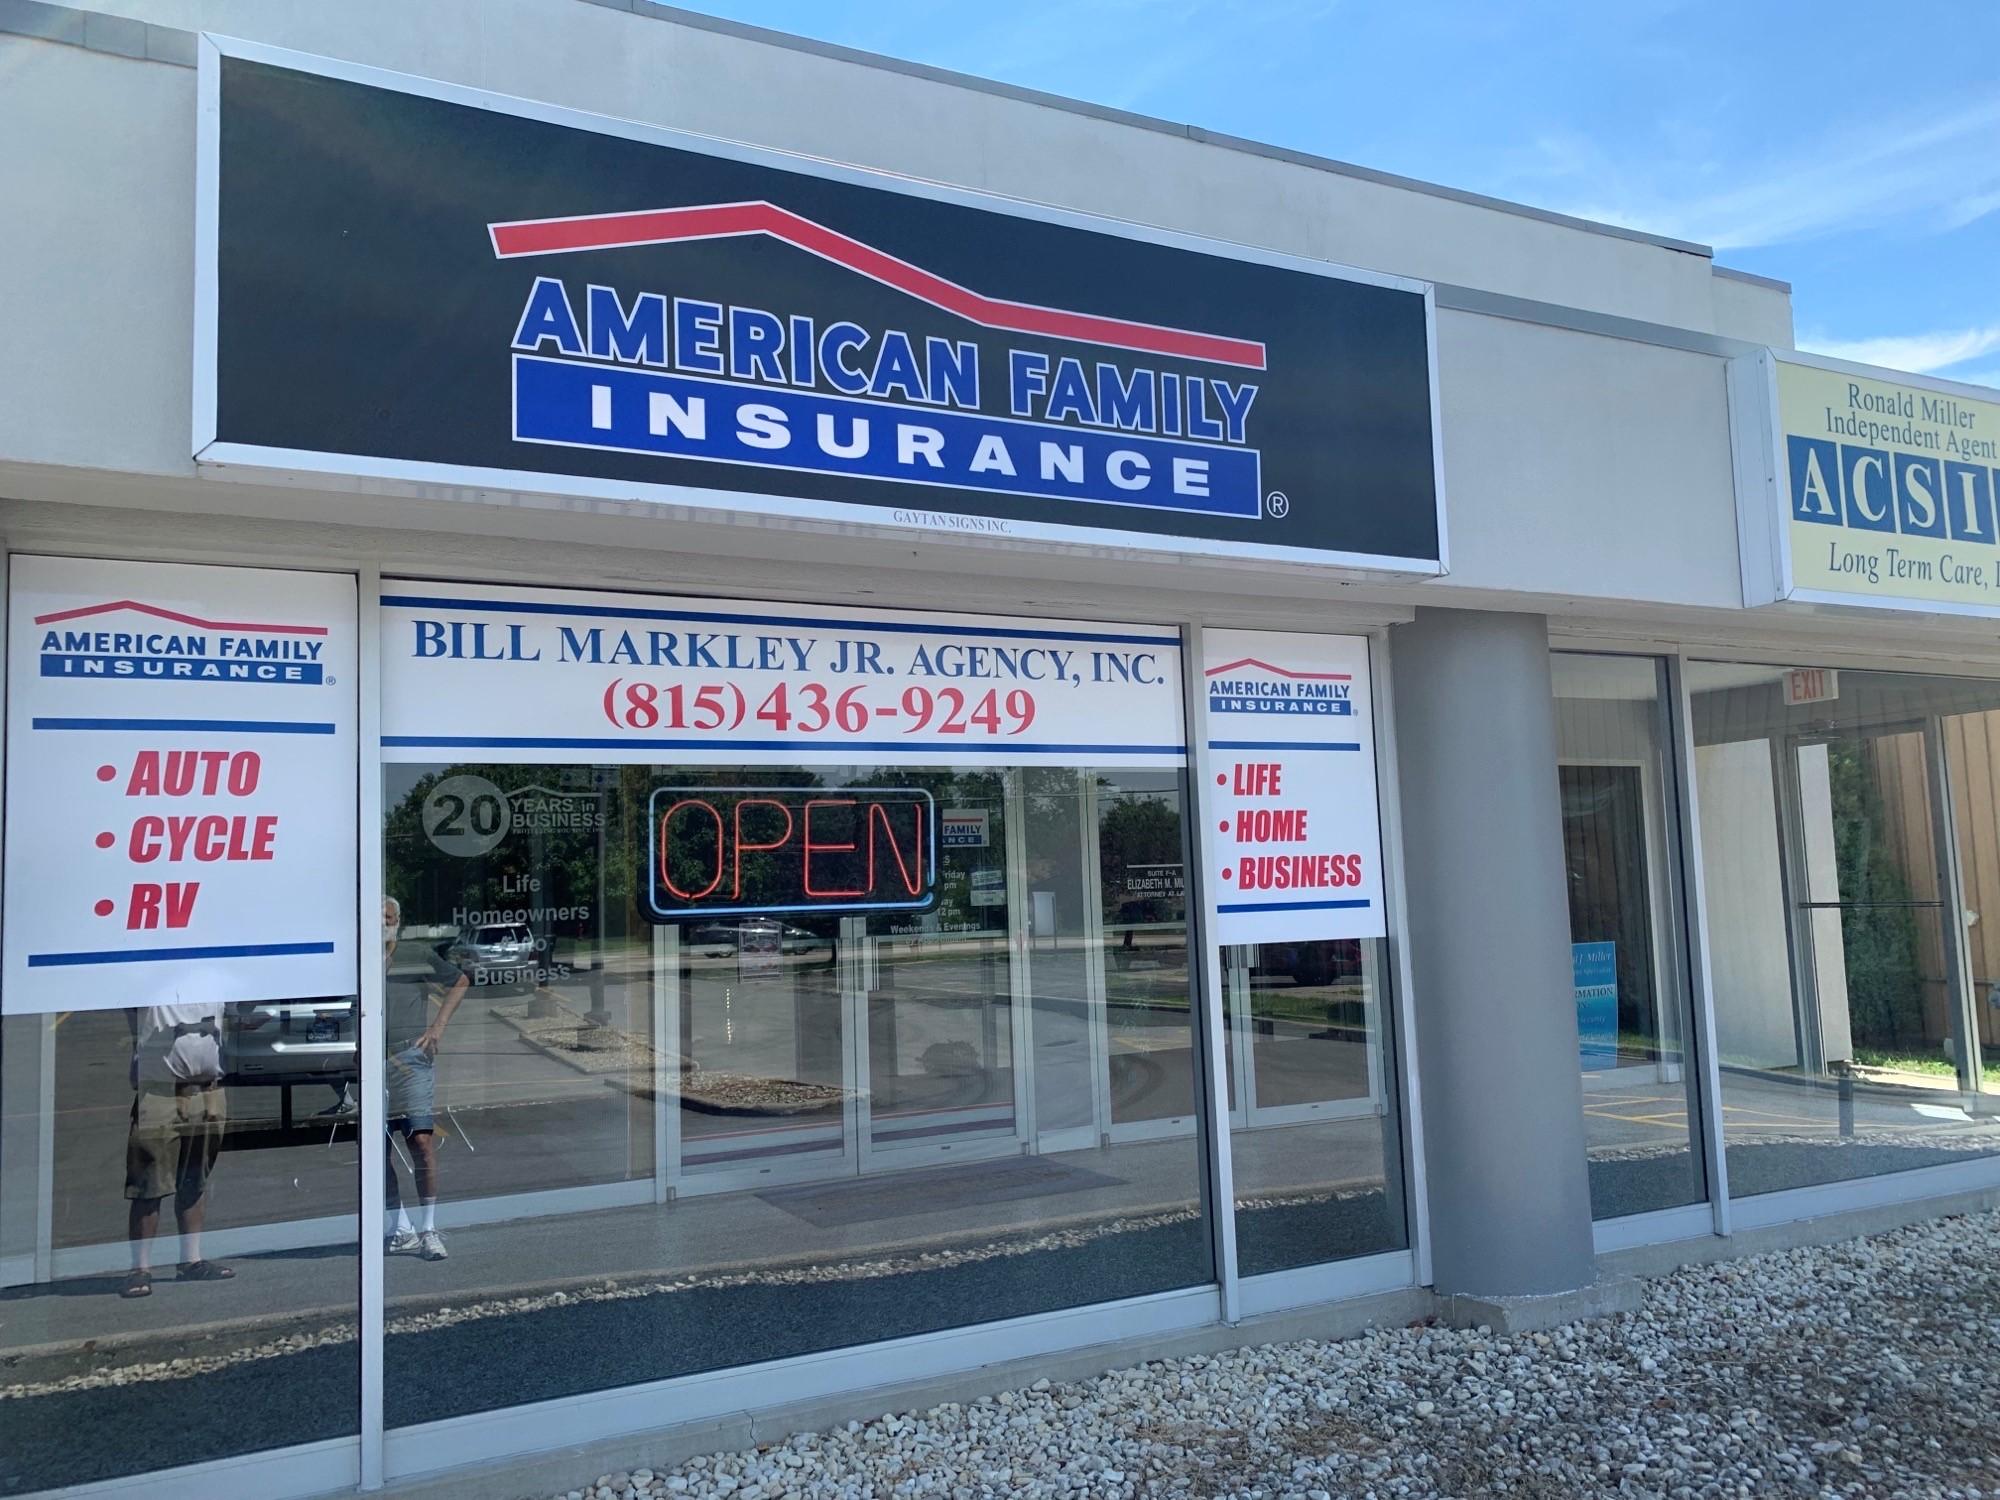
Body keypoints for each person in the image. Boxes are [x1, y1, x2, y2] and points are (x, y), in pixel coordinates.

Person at [122, 1000, 233, 1298]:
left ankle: (191, 1261)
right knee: (149, 1184)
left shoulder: (216, 977)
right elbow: (128, 1008)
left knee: (195, 1179)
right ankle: (140, 1268)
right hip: (159, 1091)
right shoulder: (151, 979)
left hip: (209, 1090)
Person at [382, 895, 470, 1261]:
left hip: (411, 1057)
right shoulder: (355, 959)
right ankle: (398, 1228)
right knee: (377, 1151)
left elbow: (460, 980)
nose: (381, 923)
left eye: (387, 917)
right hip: (371, 1061)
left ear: (398, 920)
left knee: (420, 1141)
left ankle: (428, 1229)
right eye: (374, 918)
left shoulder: (414, 955)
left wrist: (438, 1026)